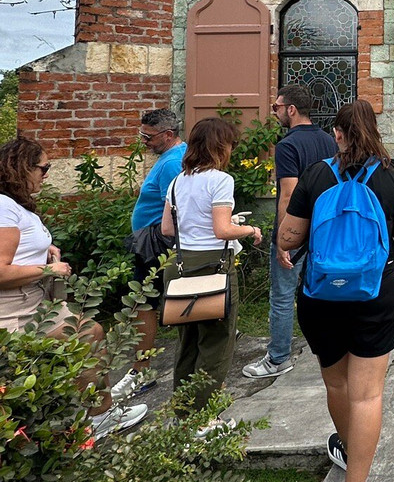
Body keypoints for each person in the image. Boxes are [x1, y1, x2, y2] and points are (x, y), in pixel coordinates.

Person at [278, 100, 394, 482]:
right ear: (375, 131)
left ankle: (347, 444)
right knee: (368, 394)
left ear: (337, 135)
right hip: (375, 291)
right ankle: (357, 475)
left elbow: (288, 237)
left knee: (338, 383)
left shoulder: (315, 175)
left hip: (321, 295)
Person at [0, 137, 148, 436]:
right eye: (44, 167)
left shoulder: (14, 205)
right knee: (82, 337)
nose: (47, 174)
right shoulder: (4, 206)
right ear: (22, 168)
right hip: (16, 309)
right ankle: (89, 420)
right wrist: (48, 268)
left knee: (88, 333)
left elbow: (19, 246)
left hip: (35, 301)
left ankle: (94, 413)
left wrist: (47, 249)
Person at [160, 117, 263, 424]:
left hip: (180, 267)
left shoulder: (178, 181)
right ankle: (204, 420)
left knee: (187, 342)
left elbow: (167, 227)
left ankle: (183, 413)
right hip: (213, 268)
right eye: (230, 144)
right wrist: (249, 230)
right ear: (221, 146)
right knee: (216, 344)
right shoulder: (220, 180)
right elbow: (221, 230)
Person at [243, 84, 336, 379]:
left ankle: (279, 357)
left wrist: (283, 240)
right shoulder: (329, 141)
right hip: (326, 228)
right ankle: (329, 349)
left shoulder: (288, 145)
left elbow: (287, 194)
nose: (275, 113)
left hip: (297, 228)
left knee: (283, 295)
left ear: (291, 109)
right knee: (325, 291)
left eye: (276, 107)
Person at [111, 109, 187, 400]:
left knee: (144, 302)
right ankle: (141, 370)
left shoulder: (171, 164)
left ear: (168, 135)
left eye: (148, 136)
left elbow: (180, 206)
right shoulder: (172, 157)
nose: (143, 141)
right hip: (153, 239)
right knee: (147, 302)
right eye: (141, 134)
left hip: (156, 243)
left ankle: (140, 372)